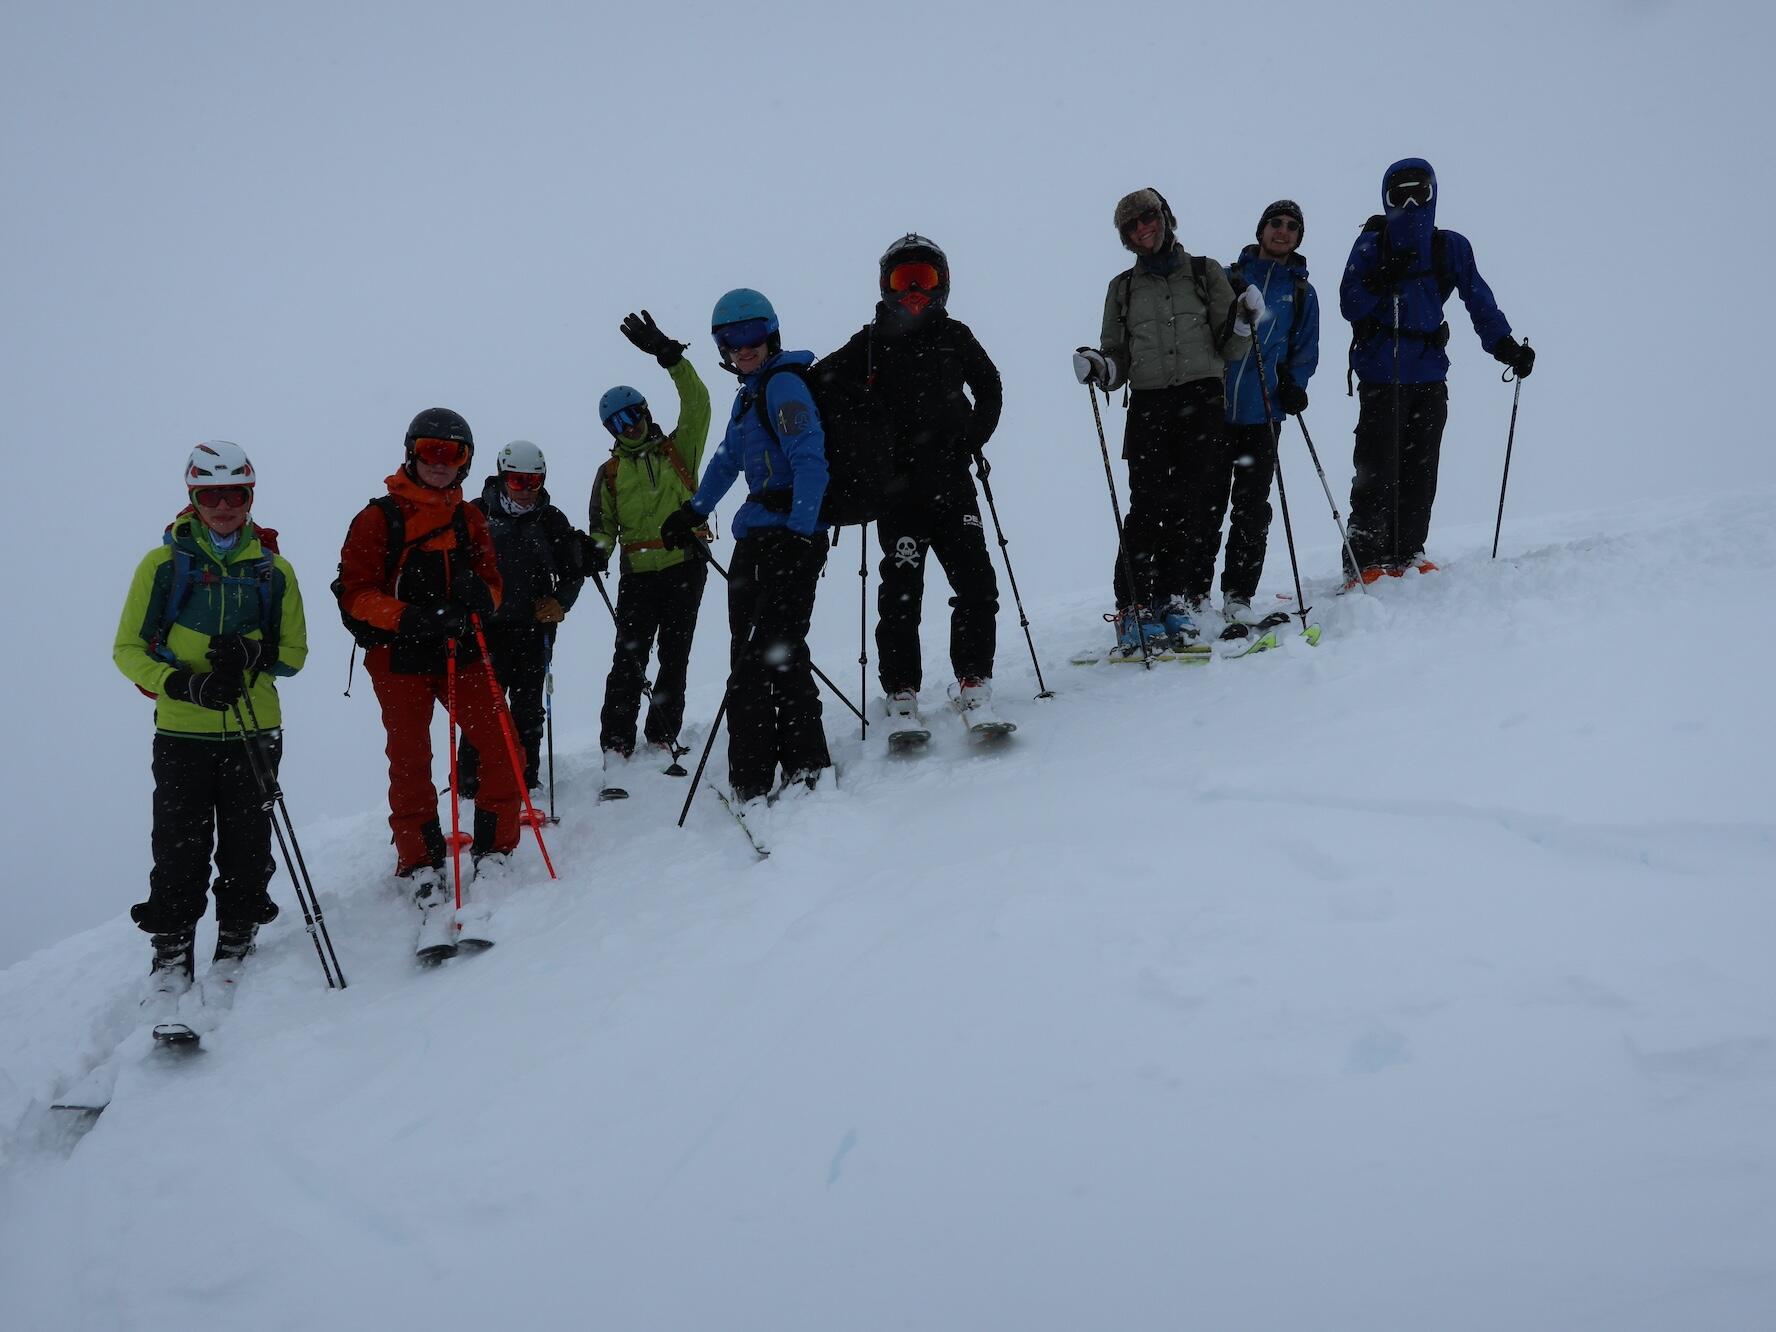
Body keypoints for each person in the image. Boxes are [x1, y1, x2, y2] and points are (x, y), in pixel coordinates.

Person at [113, 441, 308, 1012]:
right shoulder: (162, 566)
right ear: (192, 498)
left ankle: (236, 936)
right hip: (182, 731)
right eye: (211, 495)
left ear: (250, 496)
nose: (224, 506)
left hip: (255, 728)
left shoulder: (274, 571)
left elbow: (294, 655)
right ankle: (171, 951)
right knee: (179, 846)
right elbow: (127, 649)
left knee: (248, 842)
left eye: (235, 494)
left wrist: (253, 653)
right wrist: (182, 684)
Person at [335, 408, 517, 961]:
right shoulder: (379, 518)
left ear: (466, 461)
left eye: (453, 453)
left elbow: (493, 584)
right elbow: (355, 592)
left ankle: (496, 847)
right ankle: (419, 860)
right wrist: (409, 617)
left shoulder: (469, 518)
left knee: (500, 743)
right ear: (411, 453)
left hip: (460, 648)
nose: (441, 463)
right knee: (411, 759)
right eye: (430, 451)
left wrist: (480, 597)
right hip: (399, 656)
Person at [822, 233, 1004, 730]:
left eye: (924, 278)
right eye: (905, 280)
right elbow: (821, 382)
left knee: (976, 583)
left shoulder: (956, 335)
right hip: (897, 493)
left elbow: (990, 386)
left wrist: (971, 438)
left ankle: (973, 680)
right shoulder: (870, 342)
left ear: (942, 284)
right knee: (901, 594)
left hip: (953, 484)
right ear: (887, 286)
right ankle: (901, 691)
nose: (914, 291)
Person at [659, 288, 830, 804]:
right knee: (750, 651)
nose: (743, 347)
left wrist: (800, 532)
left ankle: (799, 764)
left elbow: (810, 459)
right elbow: (726, 461)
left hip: (787, 536)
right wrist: (693, 511)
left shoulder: (783, 386)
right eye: (731, 340)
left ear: (771, 334)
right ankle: (756, 772)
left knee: (777, 649)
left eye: (752, 334)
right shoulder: (748, 397)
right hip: (755, 538)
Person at [1075, 187, 1260, 653]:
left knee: (1189, 505)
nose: (1142, 229)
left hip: (1202, 400)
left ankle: (1172, 597)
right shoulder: (1122, 288)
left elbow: (1231, 347)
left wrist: (1243, 321)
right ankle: (1134, 605)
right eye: (1131, 226)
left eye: (1148, 218)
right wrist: (1100, 367)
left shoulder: (1204, 272)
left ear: (1165, 217)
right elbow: (1117, 360)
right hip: (1150, 404)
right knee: (1147, 505)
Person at [1340, 157, 1535, 581]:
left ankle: (1407, 550)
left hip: (1428, 373)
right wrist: (1380, 279)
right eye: (1401, 195)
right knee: (1376, 466)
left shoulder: (1450, 247)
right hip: (1381, 372)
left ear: (1433, 195)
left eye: (1419, 193)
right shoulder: (1372, 246)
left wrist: (1504, 346)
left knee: (1421, 466)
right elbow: (1349, 304)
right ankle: (1363, 558)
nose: (1410, 204)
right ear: (1387, 199)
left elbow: (1478, 299)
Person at [587, 309, 712, 774]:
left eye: (632, 415)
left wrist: (670, 357)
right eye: (617, 423)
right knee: (629, 657)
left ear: (645, 411)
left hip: (686, 564)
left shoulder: (678, 450)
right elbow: (604, 530)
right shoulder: (610, 473)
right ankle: (616, 741)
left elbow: (698, 403)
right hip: (638, 576)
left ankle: (662, 733)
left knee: (674, 655)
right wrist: (592, 552)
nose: (628, 426)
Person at [455, 440, 585, 799]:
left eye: (534, 481)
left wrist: (560, 601)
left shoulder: (550, 519)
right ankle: (470, 785)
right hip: (484, 630)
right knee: (484, 710)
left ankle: (525, 780)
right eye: (517, 481)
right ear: (502, 477)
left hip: (533, 628)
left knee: (528, 710)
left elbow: (573, 571)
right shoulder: (475, 514)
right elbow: (455, 567)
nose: (526, 490)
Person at [1213, 199, 1321, 622]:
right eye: (1276, 223)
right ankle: (1192, 592)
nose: (1283, 231)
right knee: (1205, 504)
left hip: (1265, 412)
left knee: (1252, 506)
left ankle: (1238, 594)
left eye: (1292, 226)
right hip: (1216, 411)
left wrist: (1295, 385)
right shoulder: (1229, 278)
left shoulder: (1301, 292)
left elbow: (1305, 348)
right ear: (1261, 230)